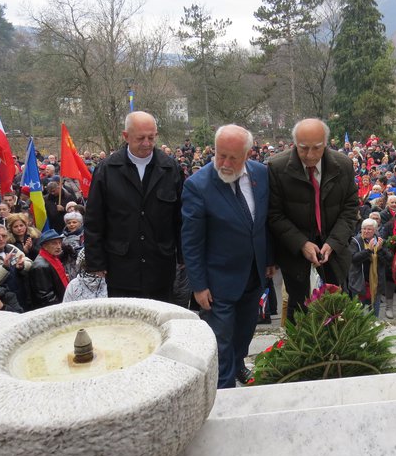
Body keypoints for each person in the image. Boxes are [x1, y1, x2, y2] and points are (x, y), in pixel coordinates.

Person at [182, 125, 272, 388]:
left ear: (248, 154)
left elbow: (265, 221)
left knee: (244, 333)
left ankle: (239, 364)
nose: (225, 162)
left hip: (253, 274)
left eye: (233, 157)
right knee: (220, 342)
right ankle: (224, 392)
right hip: (217, 281)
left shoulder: (261, 174)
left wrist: (268, 260)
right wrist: (198, 285)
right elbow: (191, 241)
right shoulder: (197, 186)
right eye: (221, 155)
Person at [84, 111, 183, 300]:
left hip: (160, 264)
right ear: (126, 136)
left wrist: (184, 258)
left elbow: (180, 217)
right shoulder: (107, 170)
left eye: (151, 137)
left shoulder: (171, 169)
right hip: (121, 266)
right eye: (140, 138)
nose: (146, 143)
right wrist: (96, 262)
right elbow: (94, 219)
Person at [267, 118, 358, 323]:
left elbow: (350, 208)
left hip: (333, 253)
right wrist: (301, 244)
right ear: (294, 144)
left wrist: (333, 242)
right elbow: (274, 215)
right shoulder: (277, 167)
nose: (309, 155)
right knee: (298, 310)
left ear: (326, 143)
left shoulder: (343, 165)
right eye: (303, 148)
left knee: (335, 310)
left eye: (316, 148)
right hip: (295, 255)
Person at [348, 218, 391, 317]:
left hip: (376, 283)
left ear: (375, 230)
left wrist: (379, 250)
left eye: (369, 229)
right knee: (358, 314)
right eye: (364, 229)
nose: (366, 231)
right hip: (359, 283)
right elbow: (354, 259)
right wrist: (368, 251)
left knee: (374, 314)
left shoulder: (380, 241)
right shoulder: (356, 241)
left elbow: (388, 260)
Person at [29, 229, 69, 308]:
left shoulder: (53, 257)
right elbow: (46, 296)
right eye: (54, 243)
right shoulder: (40, 266)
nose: (58, 247)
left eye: (59, 243)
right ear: (45, 246)